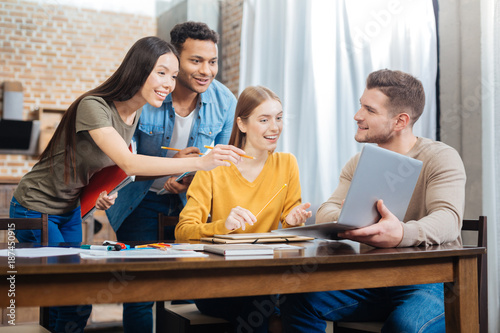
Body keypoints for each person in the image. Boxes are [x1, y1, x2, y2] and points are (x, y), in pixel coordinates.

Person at [10, 36, 244, 333]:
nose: (169, 84)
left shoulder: (131, 114)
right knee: (69, 294)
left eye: (173, 76)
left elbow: (113, 170)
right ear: (138, 70)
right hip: (34, 206)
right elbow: (130, 163)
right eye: (161, 73)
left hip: (70, 209)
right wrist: (199, 163)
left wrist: (105, 192)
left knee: (73, 298)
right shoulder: (93, 106)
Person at [280, 69, 466, 333]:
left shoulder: (440, 157)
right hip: (371, 278)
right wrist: (347, 219)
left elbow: (448, 220)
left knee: (405, 325)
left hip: (429, 280)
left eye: (369, 109)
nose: (358, 116)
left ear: (400, 121)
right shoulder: (358, 163)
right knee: (297, 298)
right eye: (360, 106)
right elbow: (327, 210)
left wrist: (400, 233)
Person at [103, 22, 238, 333]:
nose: (207, 70)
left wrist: (191, 178)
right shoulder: (144, 94)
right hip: (142, 201)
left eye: (212, 61)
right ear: (175, 60)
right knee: (140, 291)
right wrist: (169, 165)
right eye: (196, 61)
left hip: (193, 203)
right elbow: (121, 158)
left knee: (194, 285)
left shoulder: (225, 101)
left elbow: (219, 160)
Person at [175, 85, 312, 332]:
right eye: (264, 119)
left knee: (289, 301)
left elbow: (292, 224)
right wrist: (223, 226)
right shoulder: (214, 166)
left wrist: (293, 219)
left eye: (279, 118)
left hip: (265, 281)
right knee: (266, 305)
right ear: (242, 124)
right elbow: (183, 231)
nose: (275, 127)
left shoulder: (287, 164)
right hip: (218, 284)